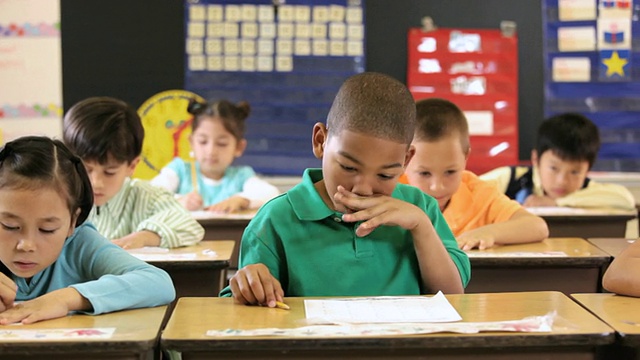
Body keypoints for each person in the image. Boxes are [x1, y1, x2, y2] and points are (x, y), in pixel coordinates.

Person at [220, 72, 471, 307]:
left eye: (385, 175)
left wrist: (421, 227)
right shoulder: (275, 220)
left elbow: (453, 296)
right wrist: (249, 285)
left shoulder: (420, 209)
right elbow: (243, 309)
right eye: (349, 167)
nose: (362, 189)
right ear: (320, 141)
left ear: (406, 160)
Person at [0, 136, 175, 325]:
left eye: (47, 229)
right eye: (9, 226)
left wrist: (65, 299)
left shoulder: (80, 243)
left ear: (72, 222)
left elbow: (157, 283)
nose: (26, 245)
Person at [402, 98, 549, 250]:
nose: (437, 186)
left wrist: (487, 233)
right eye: (424, 173)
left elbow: (537, 227)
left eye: (450, 172)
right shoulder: (389, 193)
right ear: (404, 160)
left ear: (465, 157)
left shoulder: (478, 193)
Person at [63, 97, 204, 249]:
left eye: (110, 172)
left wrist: (143, 237)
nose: (96, 182)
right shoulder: (59, 196)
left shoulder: (146, 197)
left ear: (132, 165)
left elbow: (190, 227)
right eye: (86, 169)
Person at [480, 112, 635, 210]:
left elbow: (625, 199)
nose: (562, 181)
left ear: (588, 169)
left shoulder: (589, 189)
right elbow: (465, 191)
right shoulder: (510, 178)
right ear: (536, 159)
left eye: (575, 172)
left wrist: (557, 203)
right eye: (554, 168)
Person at [151, 99, 279, 212]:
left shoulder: (241, 176)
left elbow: (272, 194)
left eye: (222, 144)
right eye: (203, 142)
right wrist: (179, 201)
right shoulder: (179, 170)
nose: (211, 151)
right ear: (191, 142)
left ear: (239, 147)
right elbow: (150, 194)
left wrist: (242, 199)